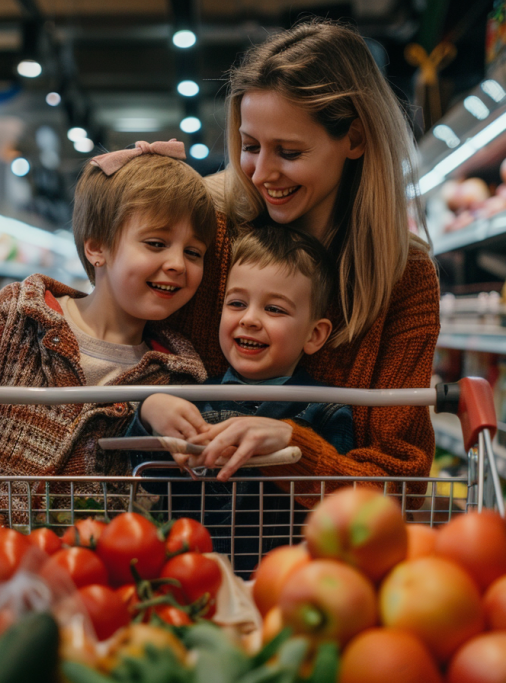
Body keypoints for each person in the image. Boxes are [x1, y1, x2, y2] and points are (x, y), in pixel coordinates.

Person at [165, 19, 441, 503]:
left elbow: (402, 481)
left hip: (321, 556)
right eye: (250, 147)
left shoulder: (405, 278)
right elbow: (115, 329)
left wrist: (294, 445)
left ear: (354, 139)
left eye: (289, 152)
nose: (262, 173)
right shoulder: (210, 228)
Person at [0, 141, 214, 518]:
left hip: (100, 565)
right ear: (97, 247)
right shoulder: (19, 315)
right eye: (156, 243)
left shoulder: (178, 375)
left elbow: (175, 492)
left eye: (194, 252)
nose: (177, 263)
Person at [127, 227, 355, 566]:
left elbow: (336, 502)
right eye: (236, 303)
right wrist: (148, 413)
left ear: (314, 334)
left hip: (282, 581)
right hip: (188, 574)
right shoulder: (193, 399)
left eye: (275, 309)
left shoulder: (325, 409)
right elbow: (150, 476)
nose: (249, 319)